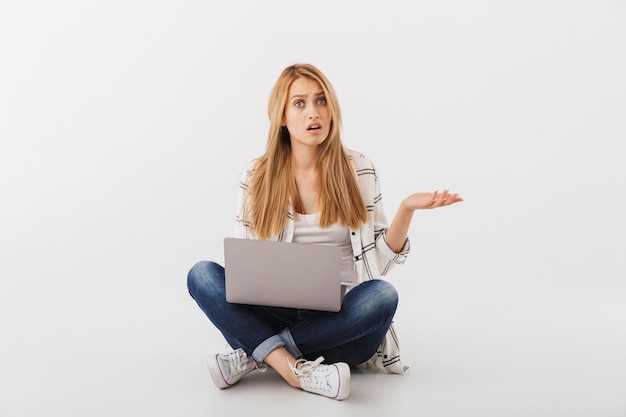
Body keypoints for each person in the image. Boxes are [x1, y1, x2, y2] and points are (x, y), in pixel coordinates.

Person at [187, 63, 462, 401]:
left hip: (340, 322)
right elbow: (245, 268)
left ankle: (260, 357)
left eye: (321, 101)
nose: (313, 112)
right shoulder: (257, 174)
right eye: (300, 103)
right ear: (282, 117)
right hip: (273, 313)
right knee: (202, 274)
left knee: (383, 296)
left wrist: (406, 209)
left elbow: (379, 264)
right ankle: (297, 369)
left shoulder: (359, 168)